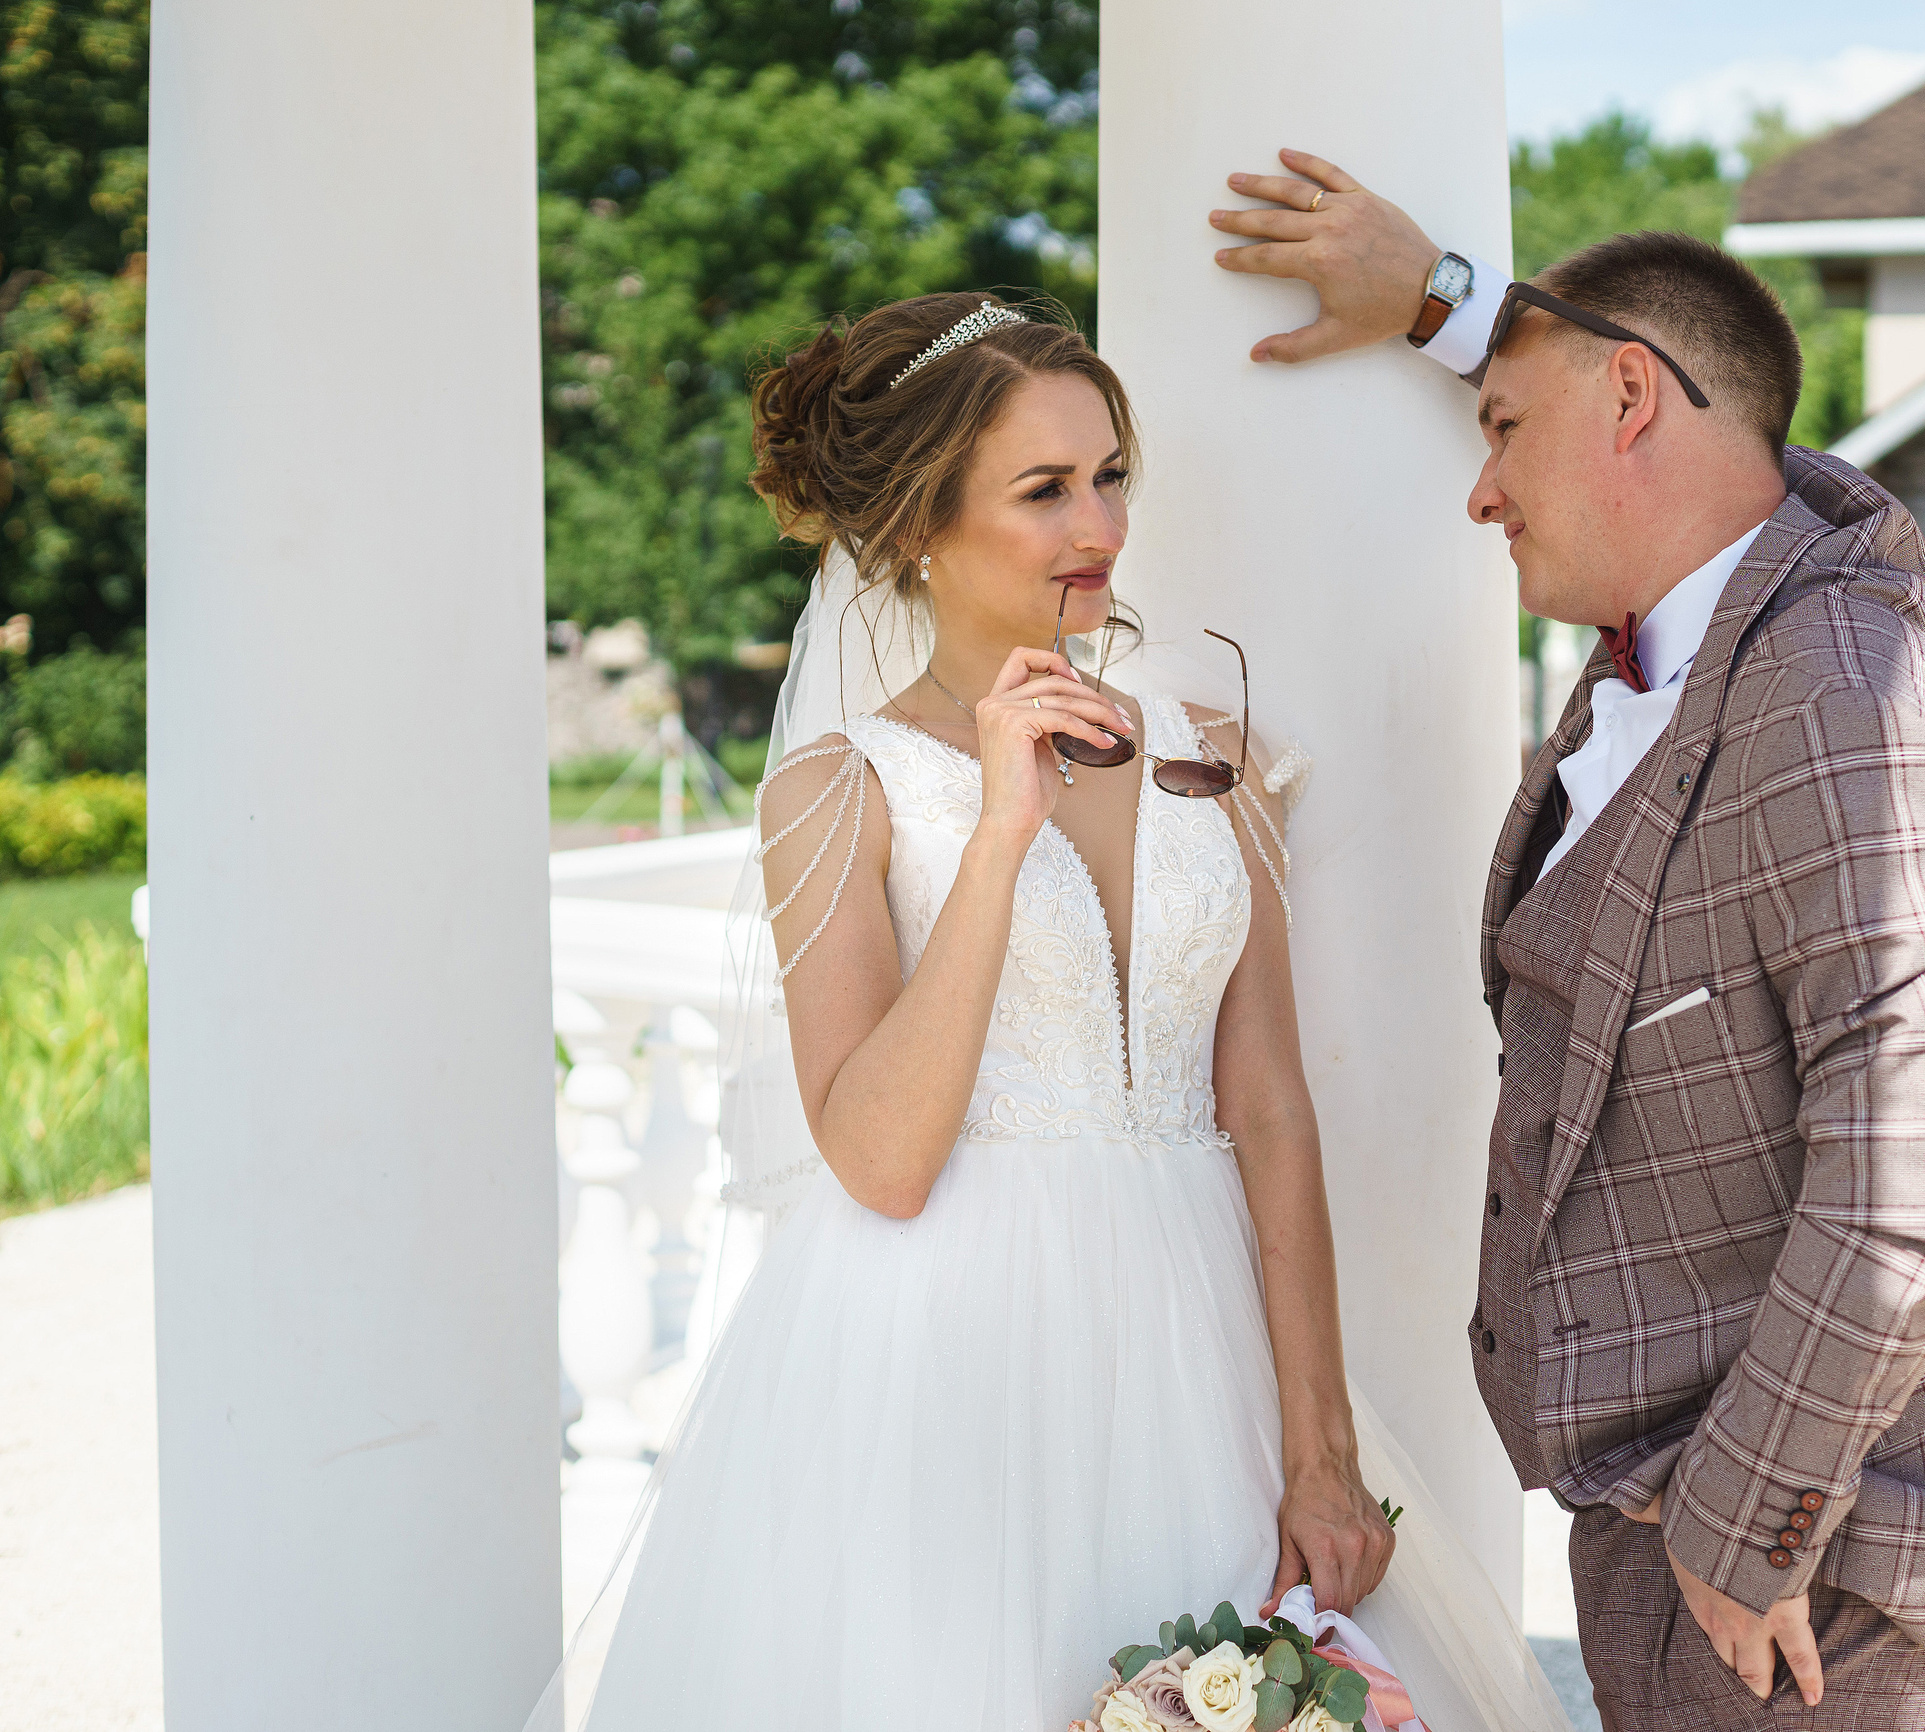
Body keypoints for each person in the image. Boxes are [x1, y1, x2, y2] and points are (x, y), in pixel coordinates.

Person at [519, 293, 1572, 1732]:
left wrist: (1320, 1441)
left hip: (1207, 1359)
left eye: (1110, 475)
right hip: (951, 1367)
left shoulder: (1210, 758)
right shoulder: (839, 791)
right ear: (913, 531)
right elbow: (879, 1160)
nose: (1102, 527)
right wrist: (1001, 832)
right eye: (1045, 490)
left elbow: (1265, 1102)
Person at [1204, 154, 1925, 1731]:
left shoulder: (1850, 698)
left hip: (1808, 1588)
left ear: (1625, 401)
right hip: (1674, 1540)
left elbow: (1920, 1193)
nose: (1479, 489)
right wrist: (1452, 311)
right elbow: (1668, 388)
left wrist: (1748, 1528)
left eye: (1501, 434)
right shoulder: (1689, 635)